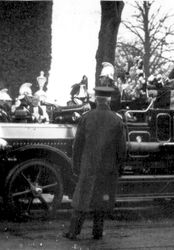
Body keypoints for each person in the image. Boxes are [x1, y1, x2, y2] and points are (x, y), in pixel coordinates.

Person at [63, 86, 127, 240]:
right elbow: (122, 148)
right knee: (101, 201)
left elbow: (77, 145)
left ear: (96, 99)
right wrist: (120, 167)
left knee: (81, 199)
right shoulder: (117, 120)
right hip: (107, 168)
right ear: (109, 99)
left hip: (88, 166)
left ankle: (73, 232)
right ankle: (97, 232)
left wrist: (76, 165)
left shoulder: (86, 117)